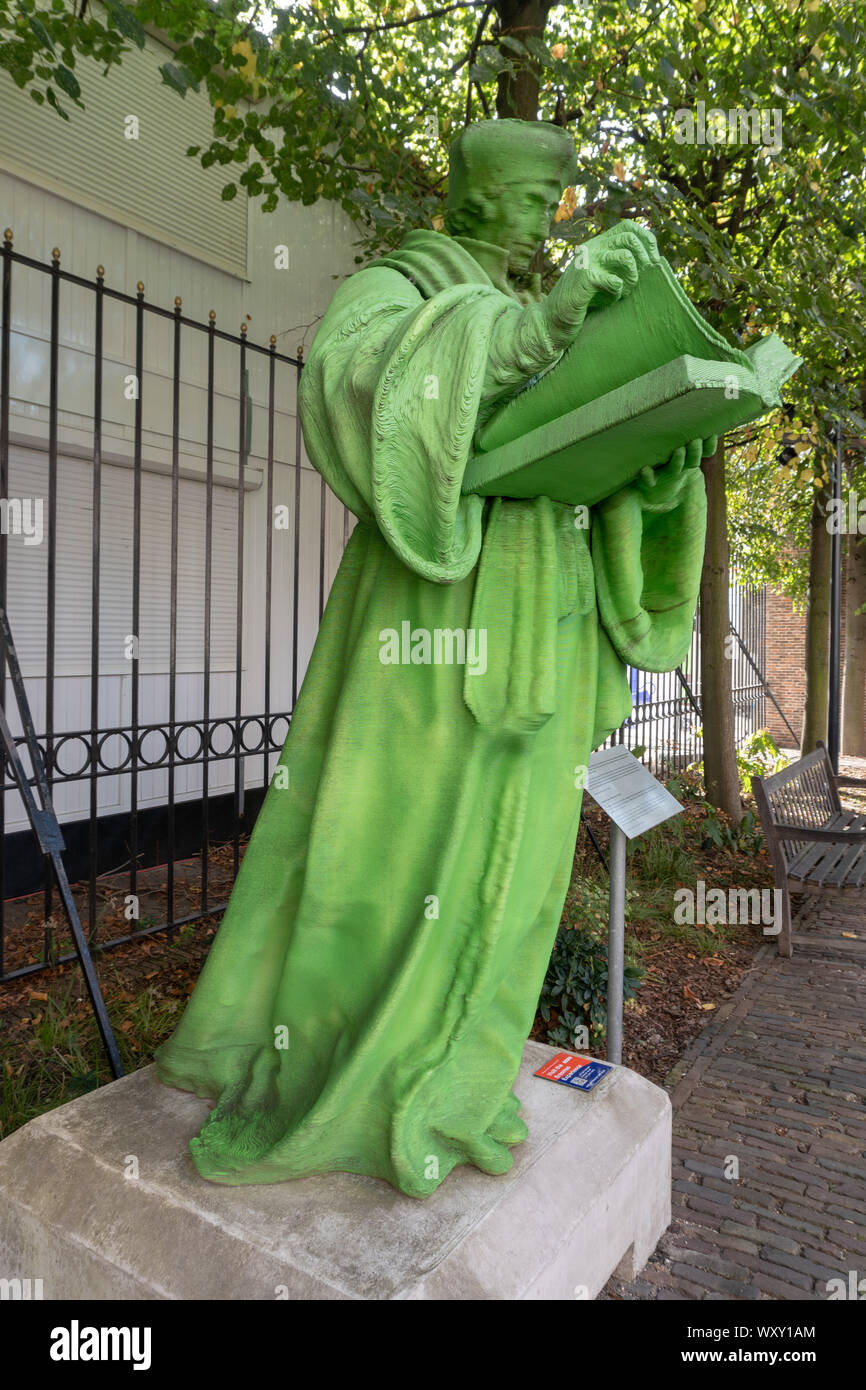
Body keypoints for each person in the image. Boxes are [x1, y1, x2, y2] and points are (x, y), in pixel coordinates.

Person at [155, 118, 712, 1198]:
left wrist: (657, 463)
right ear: (470, 195)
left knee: (518, 857)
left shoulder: (551, 301)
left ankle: (457, 1060)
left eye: (550, 203)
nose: (540, 221)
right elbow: (353, 381)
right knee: (387, 840)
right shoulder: (397, 286)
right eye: (521, 199)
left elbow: (586, 463)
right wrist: (525, 332)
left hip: (548, 619)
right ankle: (342, 1065)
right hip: (425, 622)